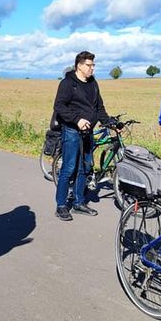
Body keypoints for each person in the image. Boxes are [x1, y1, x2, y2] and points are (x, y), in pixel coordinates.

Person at [53, 51, 112, 221]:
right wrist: (77, 120)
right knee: (69, 168)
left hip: (88, 133)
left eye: (93, 65)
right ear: (79, 66)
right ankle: (61, 205)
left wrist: (109, 122)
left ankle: (79, 202)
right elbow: (59, 106)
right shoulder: (67, 83)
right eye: (89, 65)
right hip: (72, 131)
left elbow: (99, 107)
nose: (92, 68)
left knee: (84, 168)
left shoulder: (93, 83)